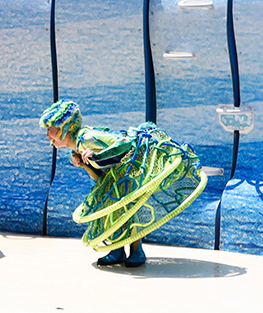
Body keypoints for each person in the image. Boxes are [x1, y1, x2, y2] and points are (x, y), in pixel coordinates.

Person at [40, 100, 207, 268]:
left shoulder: (88, 138)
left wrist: (99, 156)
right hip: (114, 178)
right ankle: (117, 250)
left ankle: (136, 251)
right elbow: (99, 177)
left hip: (131, 171)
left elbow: (125, 142)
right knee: (111, 210)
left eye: (49, 129)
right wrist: (84, 164)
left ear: (65, 127)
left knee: (129, 210)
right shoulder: (77, 147)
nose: (48, 135)